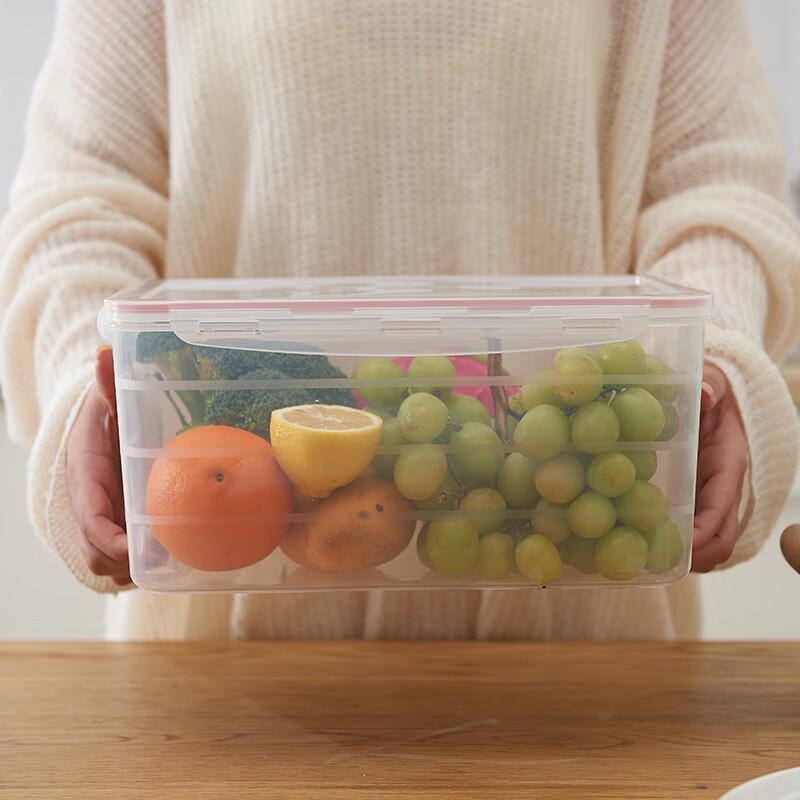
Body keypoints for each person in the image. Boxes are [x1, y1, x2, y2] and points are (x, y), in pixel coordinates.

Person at [1, 0, 798, 640]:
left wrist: (715, 358)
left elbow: (715, 189)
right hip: (222, 658)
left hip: (586, 633)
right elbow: (81, 212)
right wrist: (90, 384)